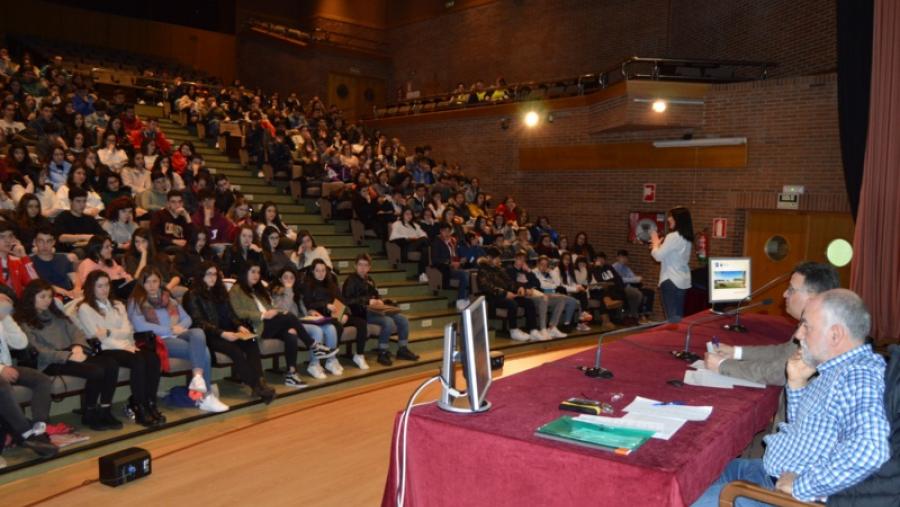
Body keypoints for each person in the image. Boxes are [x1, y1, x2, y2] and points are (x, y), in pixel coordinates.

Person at [691, 289, 890, 506]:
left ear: (835, 335)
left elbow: (870, 450)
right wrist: (796, 386)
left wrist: (801, 486)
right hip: (771, 471)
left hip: (784, 495)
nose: (798, 335)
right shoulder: (835, 367)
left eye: (807, 327)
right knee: (696, 477)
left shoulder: (858, 376)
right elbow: (806, 431)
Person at [705, 262, 841, 386]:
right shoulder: (816, 321)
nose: (784, 294)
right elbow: (784, 351)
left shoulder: (819, 333)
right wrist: (736, 352)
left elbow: (779, 373)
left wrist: (722, 365)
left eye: (791, 290)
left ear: (812, 298)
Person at [17, 279, 122, 431]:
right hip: (51, 361)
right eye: (42, 297)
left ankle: (105, 409)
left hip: (72, 352)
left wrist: (78, 347)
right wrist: (66, 355)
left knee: (111, 364)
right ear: (31, 297)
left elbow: (76, 332)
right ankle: (90, 412)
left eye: (49, 296)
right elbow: (38, 350)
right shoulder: (23, 321)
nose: (47, 301)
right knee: (96, 371)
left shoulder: (56, 314)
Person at [126, 267, 228, 413]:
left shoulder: (168, 298)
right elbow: (140, 326)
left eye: (155, 281)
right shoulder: (136, 301)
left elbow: (187, 318)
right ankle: (205, 395)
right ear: (141, 284)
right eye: (147, 282)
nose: (152, 285)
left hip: (177, 333)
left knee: (198, 332)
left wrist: (179, 327)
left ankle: (198, 380)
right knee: (203, 351)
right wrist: (170, 329)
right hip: (158, 340)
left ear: (160, 282)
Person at [75, 271, 163, 427]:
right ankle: (139, 406)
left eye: (107, 285)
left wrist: (110, 332)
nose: (104, 289)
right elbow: (96, 336)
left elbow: (128, 330)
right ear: (91, 287)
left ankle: (150, 403)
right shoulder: (85, 308)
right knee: (138, 360)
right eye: (99, 286)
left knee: (153, 358)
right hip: (105, 349)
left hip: (125, 345)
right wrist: (122, 343)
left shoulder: (117, 305)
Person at [229, 262, 336, 387]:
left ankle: (291, 374)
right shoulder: (236, 290)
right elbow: (238, 312)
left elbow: (270, 307)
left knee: (291, 333)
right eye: (253, 272)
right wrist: (262, 315)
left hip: (270, 323)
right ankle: (313, 345)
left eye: (258, 272)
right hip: (257, 325)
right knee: (290, 317)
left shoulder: (258, 289)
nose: (256, 275)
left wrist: (278, 311)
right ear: (245, 273)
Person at [183, 262, 275, 403]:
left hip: (227, 332)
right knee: (235, 350)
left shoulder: (220, 292)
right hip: (209, 335)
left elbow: (231, 315)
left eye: (215, 274)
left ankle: (260, 383)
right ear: (201, 275)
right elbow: (198, 322)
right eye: (209, 274)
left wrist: (239, 327)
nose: (212, 277)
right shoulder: (192, 295)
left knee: (251, 341)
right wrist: (222, 333)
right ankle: (256, 386)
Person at [0, 292, 57, 458]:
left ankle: (39, 427)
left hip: (8, 366)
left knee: (42, 380)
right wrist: (1, 369)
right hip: (2, 370)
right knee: (2, 386)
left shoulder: (3, 318)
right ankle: (26, 434)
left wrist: (6, 318)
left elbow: (21, 343)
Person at [342, 254, 420, 366]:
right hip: (361, 312)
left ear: (369, 267)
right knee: (388, 321)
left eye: (366, 265)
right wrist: (368, 301)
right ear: (355, 266)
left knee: (403, 320)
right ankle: (382, 352)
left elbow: (376, 295)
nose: (363, 268)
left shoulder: (370, 280)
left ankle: (402, 349)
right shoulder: (350, 280)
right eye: (360, 265)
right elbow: (347, 300)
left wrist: (380, 301)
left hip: (376, 310)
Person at [273, 268, 342, 379]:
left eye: (292, 277)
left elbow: (301, 311)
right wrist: (288, 290)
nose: (289, 280)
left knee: (330, 327)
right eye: (285, 277)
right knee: (317, 330)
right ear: (280, 279)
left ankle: (331, 361)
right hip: (288, 324)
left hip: (301, 321)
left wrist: (310, 313)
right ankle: (314, 364)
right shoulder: (277, 293)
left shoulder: (296, 292)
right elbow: (284, 310)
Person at [304, 259, 370, 370]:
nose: (321, 273)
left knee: (361, 322)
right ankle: (331, 359)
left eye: (323, 270)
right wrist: (326, 305)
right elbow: (309, 304)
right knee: (337, 327)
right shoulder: (308, 285)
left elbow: (341, 301)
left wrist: (343, 314)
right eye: (317, 271)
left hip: (336, 314)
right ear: (312, 272)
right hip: (321, 316)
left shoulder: (331, 284)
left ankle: (359, 355)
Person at [476, 247, 540, 342]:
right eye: (497, 258)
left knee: (528, 302)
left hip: (507, 295)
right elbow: (487, 287)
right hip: (493, 298)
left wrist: (518, 288)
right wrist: (504, 293)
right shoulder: (482, 270)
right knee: (512, 303)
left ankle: (533, 330)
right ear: (489, 258)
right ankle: (513, 330)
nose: (499, 260)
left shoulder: (500, 269)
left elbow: (509, 283)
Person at [507, 251, 569, 339]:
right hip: (524, 295)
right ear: (515, 259)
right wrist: (525, 289)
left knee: (562, 298)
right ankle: (543, 329)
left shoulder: (526, 271)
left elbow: (537, 283)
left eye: (523, 260)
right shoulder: (510, 270)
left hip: (534, 293)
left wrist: (528, 271)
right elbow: (511, 284)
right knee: (543, 298)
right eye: (519, 259)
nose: (521, 262)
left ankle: (552, 327)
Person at [650, 206, 693, 323]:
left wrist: (655, 243)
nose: (668, 219)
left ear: (677, 219)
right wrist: (659, 246)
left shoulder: (673, 236)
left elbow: (657, 256)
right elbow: (670, 254)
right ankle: (680, 340)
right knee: (678, 317)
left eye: (671, 216)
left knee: (672, 319)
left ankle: (674, 340)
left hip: (670, 280)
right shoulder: (687, 237)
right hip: (682, 280)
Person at [123, 227, 186, 299]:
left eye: (143, 241)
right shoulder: (131, 258)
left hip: (166, 286)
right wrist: (144, 254)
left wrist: (168, 288)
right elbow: (137, 279)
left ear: (149, 242)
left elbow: (176, 276)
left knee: (185, 293)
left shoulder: (160, 256)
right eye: (137, 242)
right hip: (148, 289)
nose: (140, 245)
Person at [29, 226, 79, 300]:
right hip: (47, 299)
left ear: (54, 242)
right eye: (40, 241)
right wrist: (64, 292)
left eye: (48, 241)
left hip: (69, 296)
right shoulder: (29, 263)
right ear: (34, 242)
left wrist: (77, 288)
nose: (45, 245)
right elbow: (37, 285)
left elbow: (75, 278)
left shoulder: (63, 258)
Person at [533, 256, 581, 333]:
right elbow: (541, 285)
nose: (544, 267)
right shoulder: (534, 272)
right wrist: (552, 286)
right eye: (542, 264)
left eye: (546, 265)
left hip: (554, 293)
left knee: (572, 301)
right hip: (542, 294)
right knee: (561, 298)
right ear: (537, 264)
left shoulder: (550, 273)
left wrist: (551, 272)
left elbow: (558, 284)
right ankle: (551, 327)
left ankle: (566, 324)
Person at [52, 187, 105, 253]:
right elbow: (60, 237)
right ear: (70, 201)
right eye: (78, 201)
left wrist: (89, 240)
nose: (82, 205)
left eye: (84, 201)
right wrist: (85, 237)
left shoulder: (90, 219)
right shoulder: (62, 217)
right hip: (69, 252)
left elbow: (103, 235)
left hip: (90, 251)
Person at [430, 223, 470, 310]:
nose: (447, 233)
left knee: (468, 273)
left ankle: (465, 298)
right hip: (444, 268)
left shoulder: (452, 242)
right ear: (441, 231)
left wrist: (460, 260)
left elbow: (455, 256)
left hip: (454, 266)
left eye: (449, 231)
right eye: (445, 231)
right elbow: (435, 260)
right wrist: (450, 263)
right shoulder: (437, 242)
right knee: (463, 274)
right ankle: (460, 300)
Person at [612, 249, 655, 324]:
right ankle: (634, 315)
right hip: (619, 288)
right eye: (621, 257)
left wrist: (636, 279)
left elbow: (633, 277)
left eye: (625, 257)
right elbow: (619, 280)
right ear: (617, 258)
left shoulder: (627, 268)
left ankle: (643, 315)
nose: (624, 259)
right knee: (637, 294)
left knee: (649, 292)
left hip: (629, 286)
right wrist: (633, 279)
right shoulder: (614, 267)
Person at [388, 207, 430, 281]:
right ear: (402, 215)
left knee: (425, 249)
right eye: (407, 214)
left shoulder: (414, 225)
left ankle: (421, 274)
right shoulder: (397, 224)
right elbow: (392, 237)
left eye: (410, 214)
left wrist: (416, 238)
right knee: (424, 241)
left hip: (417, 244)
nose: (409, 216)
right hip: (406, 246)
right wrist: (409, 237)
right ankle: (422, 273)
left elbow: (424, 234)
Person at [0, 222, 38, 298]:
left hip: (18, 304)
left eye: (10, 236)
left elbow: (35, 285)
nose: (7, 240)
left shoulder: (17, 261)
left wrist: (23, 257)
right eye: (2, 237)